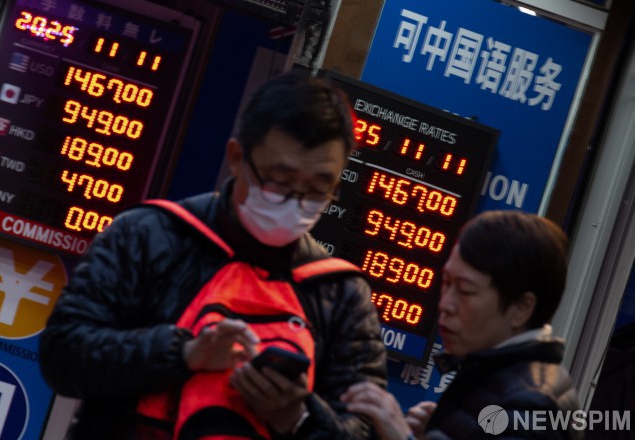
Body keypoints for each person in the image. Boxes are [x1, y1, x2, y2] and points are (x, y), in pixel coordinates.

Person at [39, 71, 387, 439]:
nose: (295, 202)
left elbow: (367, 428)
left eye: (318, 189)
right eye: (279, 181)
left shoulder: (341, 292)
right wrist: (183, 352)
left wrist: (296, 418)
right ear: (237, 158)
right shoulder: (149, 235)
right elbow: (62, 355)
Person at [342, 210, 580, 439]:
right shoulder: (491, 375)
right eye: (446, 283)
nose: (445, 304)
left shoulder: (531, 406)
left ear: (521, 308)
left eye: (465, 291)